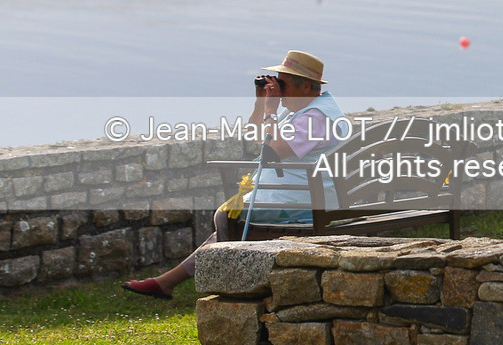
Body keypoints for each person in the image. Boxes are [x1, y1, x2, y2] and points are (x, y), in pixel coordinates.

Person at [121, 49, 346, 299]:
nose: (278, 90)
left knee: (227, 216)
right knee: (230, 219)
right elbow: (253, 137)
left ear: (306, 86)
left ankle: (224, 287)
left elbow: (273, 152)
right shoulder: (307, 109)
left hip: (303, 203)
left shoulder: (315, 118)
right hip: (303, 196)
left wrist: (271, 111)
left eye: (283, 84)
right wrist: (261, 104)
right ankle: (166, 283)